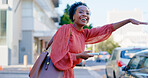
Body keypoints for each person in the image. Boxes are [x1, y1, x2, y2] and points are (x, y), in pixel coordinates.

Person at [48, 1, 148, 78]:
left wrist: (128, 21)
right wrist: (79, 55)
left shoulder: (84, 34)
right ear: (73, 16)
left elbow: (106, 29)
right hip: (57, 74)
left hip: (68, 73)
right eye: (81, 12)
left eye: (87, 13)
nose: (85, 15)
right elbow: (57, 56)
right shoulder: (66, 29)